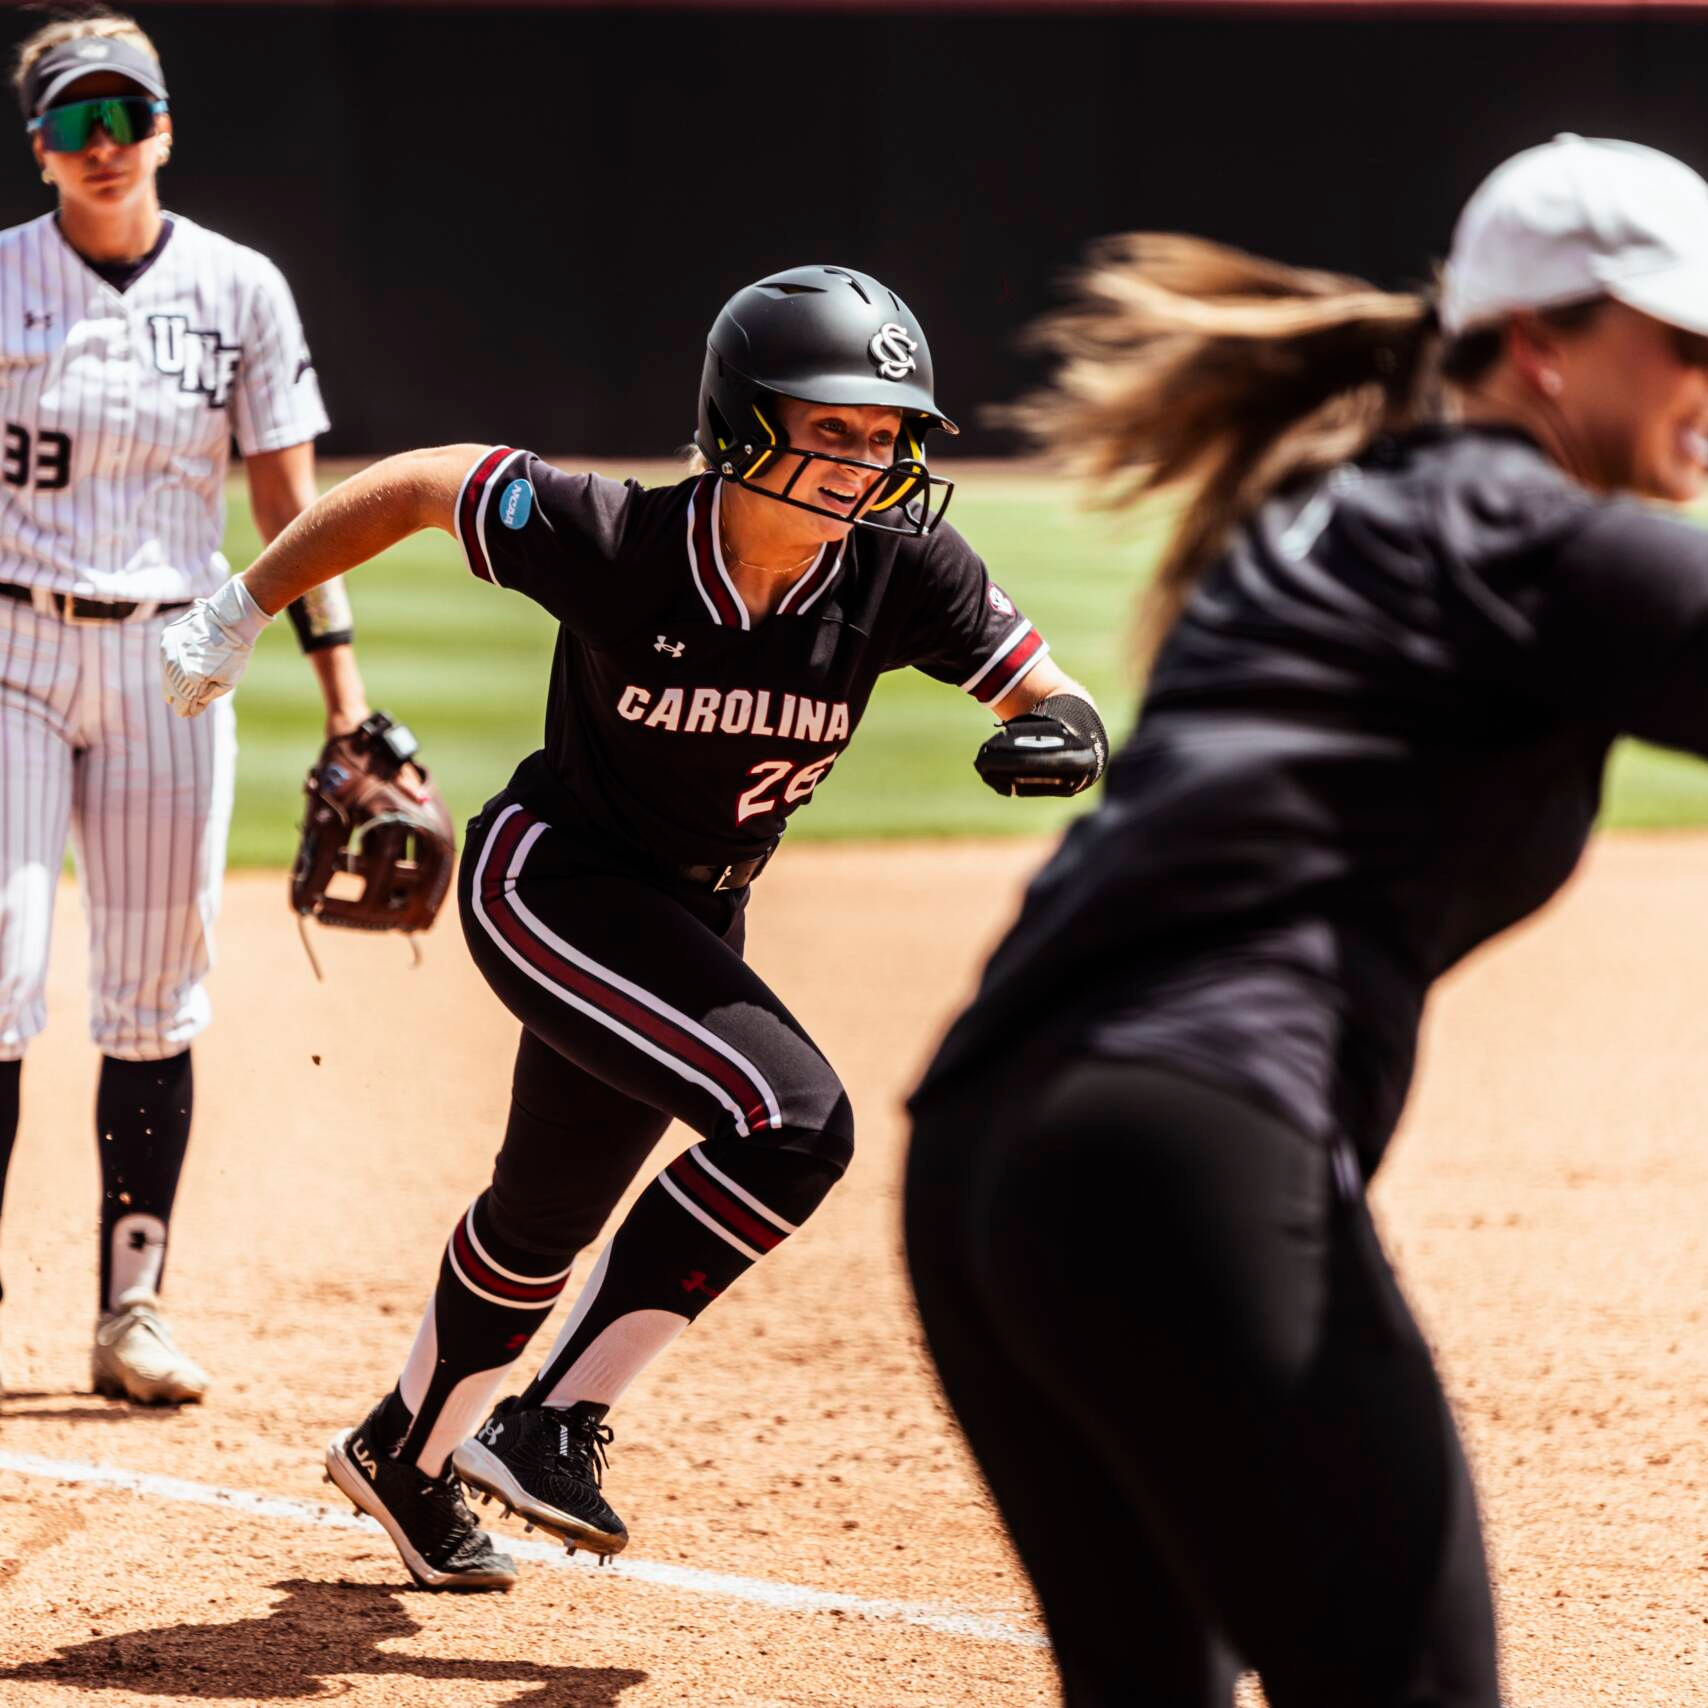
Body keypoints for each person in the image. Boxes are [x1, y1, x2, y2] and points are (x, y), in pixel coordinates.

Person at [902, 133, 1708, 1707]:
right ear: (1540, 346)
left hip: (981, 1157)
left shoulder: (1326, 516)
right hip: (1180, 1152)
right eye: (1690, 337)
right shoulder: (1526, 536)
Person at [159, 264, 1106, 1588]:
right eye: (832, 427)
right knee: (794, 1124)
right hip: (550, 886)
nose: (865, 461)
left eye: (887, 434)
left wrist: (1065, 734)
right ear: (742, 425)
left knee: (541, 1219)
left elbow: (1053, 695)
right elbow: (425, 483)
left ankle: (403, 1455)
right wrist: (238, 609)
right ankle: (553, 1419)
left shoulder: (904, 569)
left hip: (693, 918)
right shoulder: (621, 539)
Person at [0, 9, 387, 1413]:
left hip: (173, 659)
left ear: (165, 129)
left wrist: (348, 700)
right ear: (38, 146)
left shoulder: (241, 290)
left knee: (154, 998)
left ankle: (131, 1311)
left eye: (126, 116)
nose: (104, 144)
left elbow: (295, 511)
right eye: (75, 122)